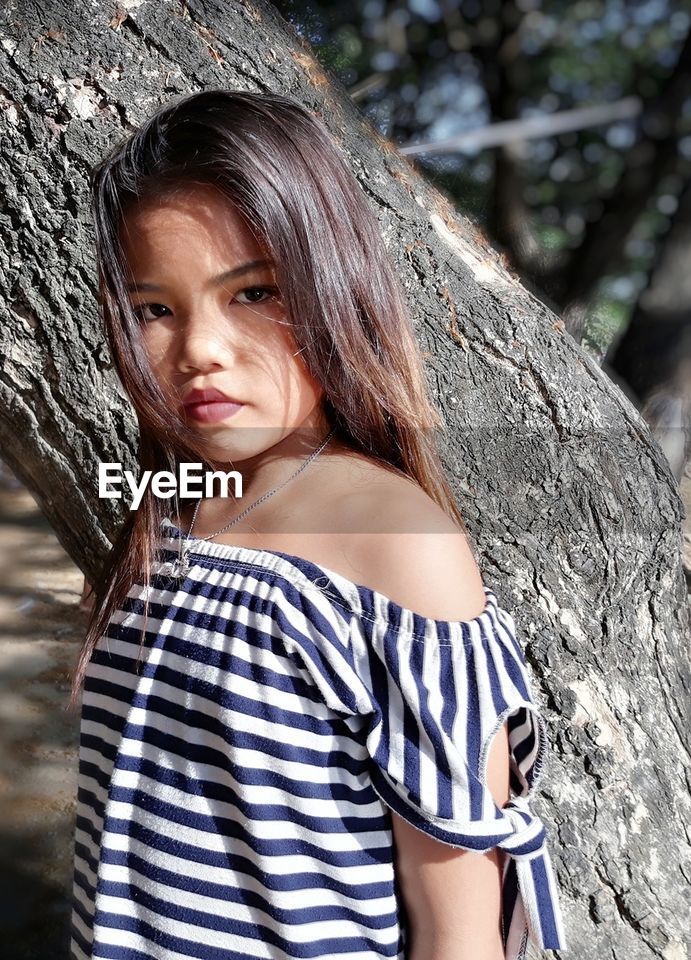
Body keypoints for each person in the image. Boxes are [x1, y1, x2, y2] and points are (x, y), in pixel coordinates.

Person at [68, 89, 569, 960]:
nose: (199, 350)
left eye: (253, 292)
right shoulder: (171, 504)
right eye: (154, 309)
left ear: (331, 283)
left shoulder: (395, 545)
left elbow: (457, 924)